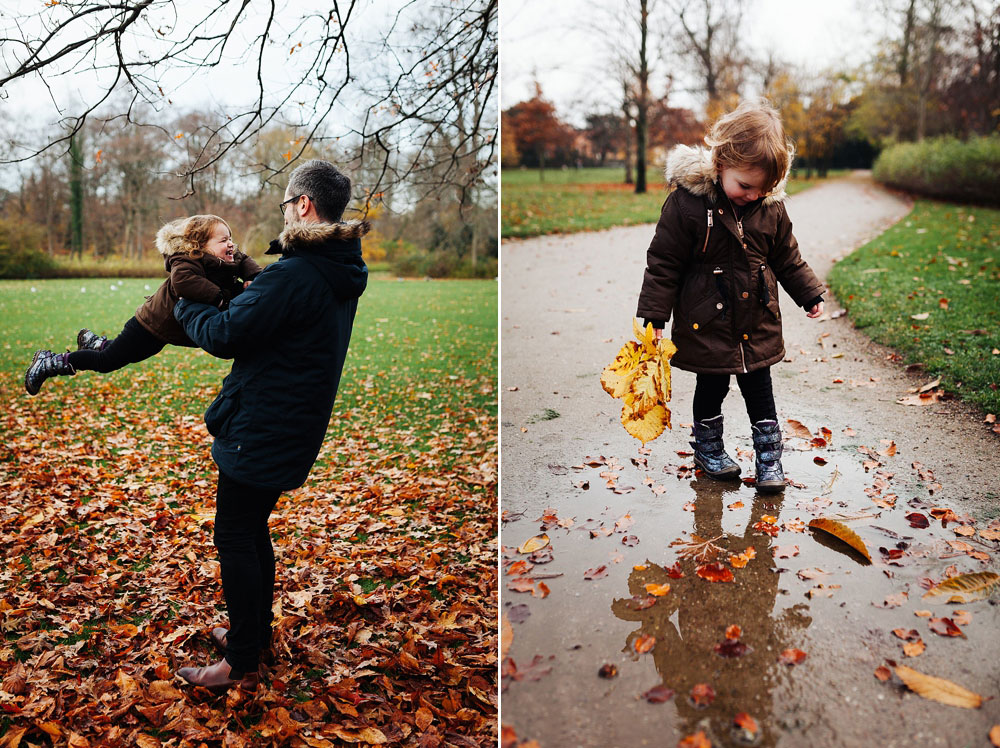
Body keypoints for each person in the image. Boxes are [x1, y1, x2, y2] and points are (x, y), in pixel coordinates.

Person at [173, 159, 370, 692]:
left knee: (235, 534)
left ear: (303, 205)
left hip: (262, 425)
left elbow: (224, 334)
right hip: (290, 422)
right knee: (251, 530)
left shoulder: (297, 273)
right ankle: (252, 636)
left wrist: (181, 301)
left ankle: (240, 663)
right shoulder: (338, 267)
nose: (283, 212)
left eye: (286, 203)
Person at [636, 100, 825, 493]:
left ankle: (769, 459)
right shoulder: (688, 204)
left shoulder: (769, 209)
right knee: (712, 387)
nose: (754, 196)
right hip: (707, 321)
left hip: (756, 318)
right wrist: (655, 316)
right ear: (721, 162)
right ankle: (709, 451)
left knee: (760, 388)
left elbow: (787, 256)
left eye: (765, 188)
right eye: (746, 185)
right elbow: (664, 261)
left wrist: (808, 293)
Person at [23, 215, 262, 395]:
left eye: (231, 238)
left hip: (164, 332)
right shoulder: (187, 261)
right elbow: (183, 282)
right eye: (223, 240)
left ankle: (97, 343)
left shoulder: (226, 259)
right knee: (107, 362)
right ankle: (52, 362)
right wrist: (221, 297)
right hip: (150, 324)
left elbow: (245, 260)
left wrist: (255, 277)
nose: (231, 244)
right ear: (200, 245)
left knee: (126, 354)